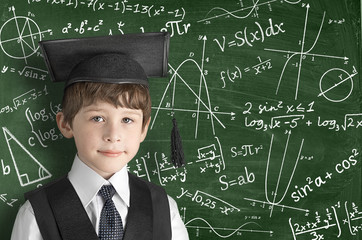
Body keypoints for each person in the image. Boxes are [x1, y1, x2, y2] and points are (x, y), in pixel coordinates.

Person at [11, 32, 189, 240]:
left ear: (143, 129)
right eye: (97, 118)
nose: (113, 135)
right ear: (66, 124)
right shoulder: (36, 214)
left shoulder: (164, 209)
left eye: (127, 120)